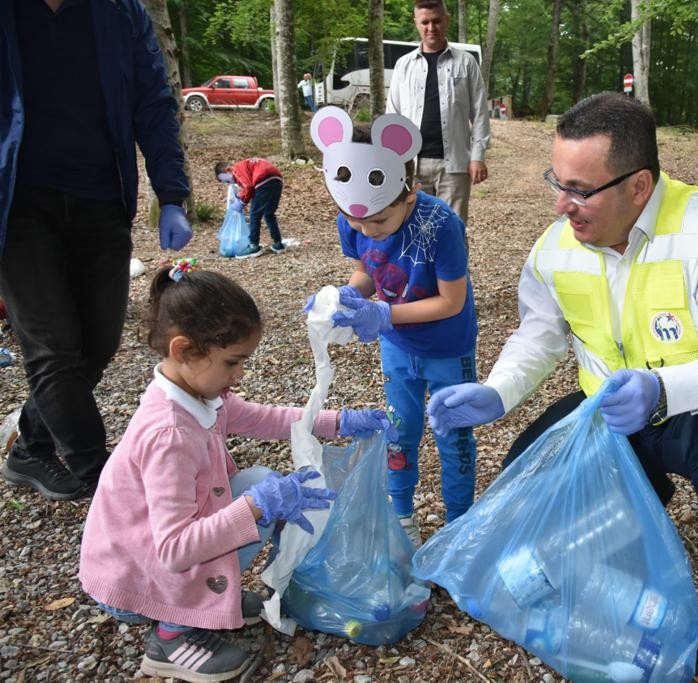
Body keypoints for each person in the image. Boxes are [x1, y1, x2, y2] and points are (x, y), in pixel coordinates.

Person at [426, 93, 698, 683]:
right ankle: (630, 565)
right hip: (605, 409)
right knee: (526, 478)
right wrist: (496, 392)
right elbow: (540, 335)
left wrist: (663, 389)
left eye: (578, 188)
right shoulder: (554, 246)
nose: (560, 203)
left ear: (639, 186)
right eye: (557, 180)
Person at [79, 261, 396, 682]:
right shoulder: (170, 433)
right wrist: (255, 509)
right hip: (136, 581)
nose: (240, 374)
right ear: (183, 349)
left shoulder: (195, 393)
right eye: (232, 362)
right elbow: (174, 549)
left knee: (258, 482)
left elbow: (266, 418)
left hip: (146, 556)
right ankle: (171, 636)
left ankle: (206, 598)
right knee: (256, 497)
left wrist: (339, 421)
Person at [0, 0, 193, 502]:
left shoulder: (118, 12)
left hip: (101, 199)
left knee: (98, 342)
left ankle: (29, 448)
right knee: (53, 347)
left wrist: (171, 194)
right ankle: (100, 475)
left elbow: (153, 101)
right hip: (16, 205)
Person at [307, 106, 478, 547]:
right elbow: (366, 269)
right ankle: (402, 514)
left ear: (409, 192)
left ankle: (459, 523)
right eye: (356, 222)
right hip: (397, 348)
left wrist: (384, 314)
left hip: (447, 347)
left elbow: (451, 301)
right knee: (400, 432)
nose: (367, 229)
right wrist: (348, 296)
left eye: (378, 220)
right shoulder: (354, 214)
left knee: (453, 437)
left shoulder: (441, 225)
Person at [386, 0, 490, 224]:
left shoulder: (466, 63)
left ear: (447, 21)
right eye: (425, 22)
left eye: (436, 21)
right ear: (416, 23)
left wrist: (477, 157)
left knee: (452, 228)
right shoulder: (404, 66)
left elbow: (480, 113)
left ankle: (454, 261)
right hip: (412, 164)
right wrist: (392, 159)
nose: (431, 28)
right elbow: (392, 115)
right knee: (414, 228)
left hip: (454, 165)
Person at [214, 158, 285, 258]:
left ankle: (253, 246)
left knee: (255, 214)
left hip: (263, 180)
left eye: (227, 180)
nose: (229, 183)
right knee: (269, 213)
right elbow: (247, 187)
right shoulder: (245, 166)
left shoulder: (236, 169)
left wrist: (242, 202)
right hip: (277, 179)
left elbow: (248, 187)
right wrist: (239, 197)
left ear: (228, 170)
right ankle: (278, 243)